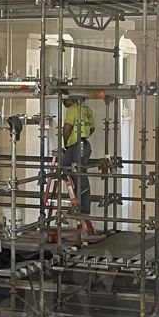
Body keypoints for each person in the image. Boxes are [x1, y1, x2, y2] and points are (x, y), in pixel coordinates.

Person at [58, 95, 96, 233]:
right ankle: (84, 210)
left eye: (65, 100)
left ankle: (81, 209)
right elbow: (92, 128)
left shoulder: (72, 109)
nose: (63, 102)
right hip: (85, 145)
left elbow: (66, 130)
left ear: (72, 99)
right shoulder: (86, 109)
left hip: (75, 146)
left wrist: (67, 145)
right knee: (80, 175)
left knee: (63, 167)